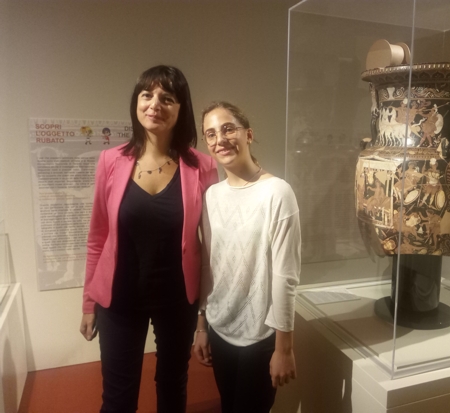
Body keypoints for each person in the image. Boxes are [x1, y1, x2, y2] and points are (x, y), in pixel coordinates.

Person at [79, 65, 218, 413]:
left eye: (167, 98)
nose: (155, 104)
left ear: (181, 109)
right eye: (147, 95)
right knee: (118, 397)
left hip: (177, 299)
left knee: (173, 387)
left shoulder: (202, 167)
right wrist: (88, 303)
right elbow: (97, 237)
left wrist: (204, 317)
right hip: (119, 299)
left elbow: (211, 248)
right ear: (136, 103)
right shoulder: (111, 161)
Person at [194, 101, 301, 413]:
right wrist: (201, 325)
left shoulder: (277, 193)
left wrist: (284, 348)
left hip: (260, 336)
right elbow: (208, 264)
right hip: (219, 327)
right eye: (211, 134)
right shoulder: (211, 196)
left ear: (248, 135)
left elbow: (285, 277)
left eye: (228, 129)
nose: (220, 139)